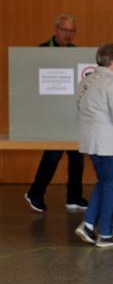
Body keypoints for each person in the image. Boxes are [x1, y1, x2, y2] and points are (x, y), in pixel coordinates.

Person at [73, 43, 113, 248]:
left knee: (103, 183)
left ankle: (89, 224)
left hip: (91, 142)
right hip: (111, 144)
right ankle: (107, 234)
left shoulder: (86, 81)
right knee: (112, 187)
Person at [25, 14, 88, 213]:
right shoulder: (42, 51)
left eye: (72, 31)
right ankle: (35, 192)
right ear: (56, 29)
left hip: (71, 114)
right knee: (52, 154)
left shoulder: (75, 52)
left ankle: (74, 196)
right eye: (65, 30)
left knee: (77, 155)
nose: (69, 35)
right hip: (50, 115)